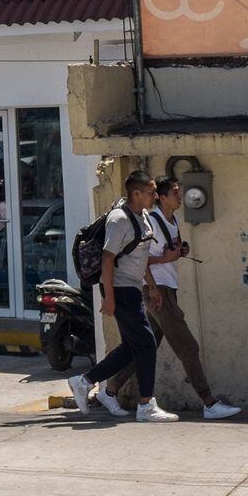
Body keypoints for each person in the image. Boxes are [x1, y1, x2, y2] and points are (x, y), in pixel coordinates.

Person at [104, 176, 242, 421]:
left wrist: (179, 252)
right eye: (176, 193)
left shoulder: (172, 220)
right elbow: (141, 259)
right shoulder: (153, 221)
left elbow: (166, 251)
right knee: (187, 346)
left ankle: (110, 389)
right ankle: (209, 402)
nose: (180, 197)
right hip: (158, 290)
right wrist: (158, 278)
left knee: (145, 346)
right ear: (161, 197)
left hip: (168, 288)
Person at [68, 170, 176, 422]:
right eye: (150, 193)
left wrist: (151, 286)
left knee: (132, 346)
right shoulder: (119, 220)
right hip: (119, 289)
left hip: (133, 287)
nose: (155, 197)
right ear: (136, 193)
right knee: (147, 343)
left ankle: (86, 383)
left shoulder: (144, 217)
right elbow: (108, 258)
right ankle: (146, 405)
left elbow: (140, 257)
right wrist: (108, 297)